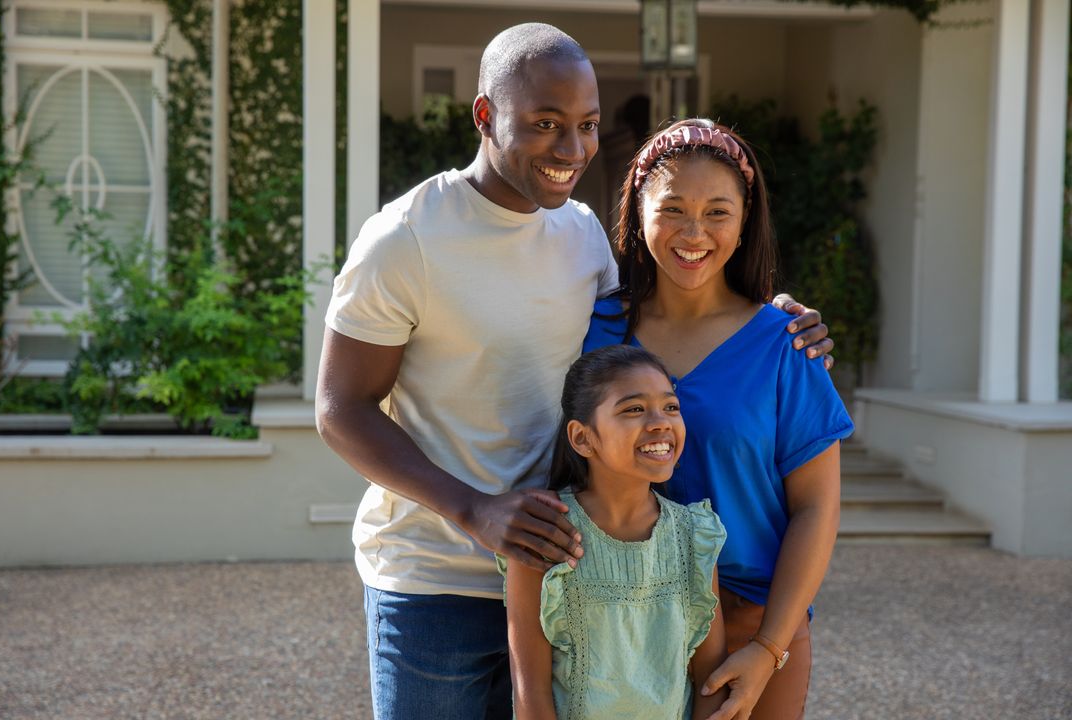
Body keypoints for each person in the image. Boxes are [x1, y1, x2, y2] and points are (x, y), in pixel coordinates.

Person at [315, 23, 832, 720]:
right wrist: (475, 511)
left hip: (580, 579)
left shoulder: (582, 236)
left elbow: (680, 302)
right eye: (545, 124)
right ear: (485, 116)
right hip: (437, 578)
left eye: (586, 126)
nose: (571, 149)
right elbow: (340, 408)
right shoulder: (405, 239)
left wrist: (777, 319)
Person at [583, 119, 854, 720]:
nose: (694, 232)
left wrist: (768, 647)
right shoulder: (593, 329)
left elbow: (817, 507)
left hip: (751, 627)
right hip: (617, 617)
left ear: (745, 217)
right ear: (638, 209)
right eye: (673, 208)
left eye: (718, 212)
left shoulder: (787, 345)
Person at [502, 344, 730, 720]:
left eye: (671, 407)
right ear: (582, 438)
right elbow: (531, 695)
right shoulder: (542, 532)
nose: (661, 422)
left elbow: (709, 681)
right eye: (634, 409)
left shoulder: (695, 537)